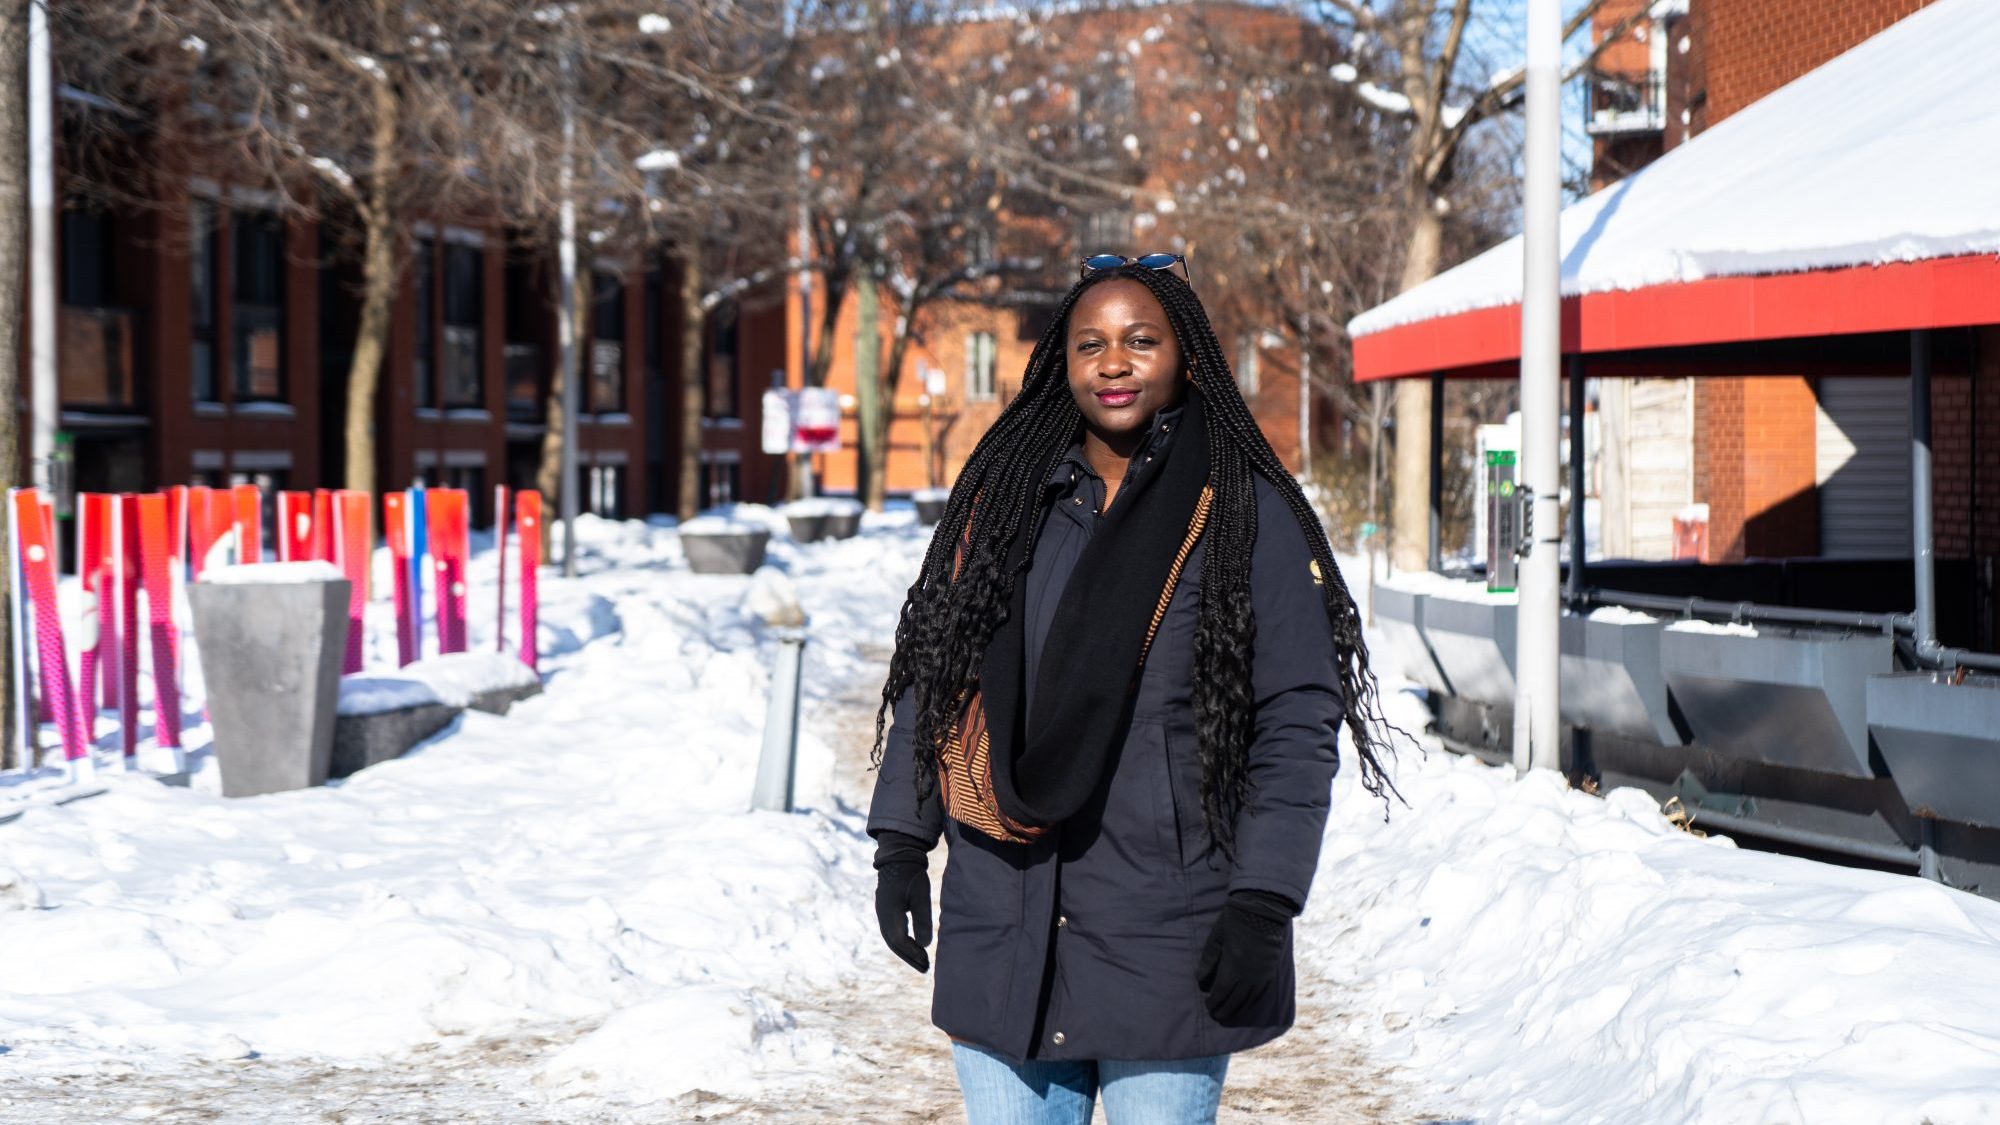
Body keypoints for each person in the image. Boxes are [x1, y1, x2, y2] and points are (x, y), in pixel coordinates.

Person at [866, 254, 1396, 1125]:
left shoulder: (1241, 514)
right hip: (1006, 918)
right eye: (1091, 344)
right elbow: (938, 671)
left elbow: (1297, 717)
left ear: (1186, 356)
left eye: (1141, 340)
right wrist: (899, 844)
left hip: (1169, 932)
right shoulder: (1004, 505)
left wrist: (1264, 897)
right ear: (1061, 364)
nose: (1113, 362)